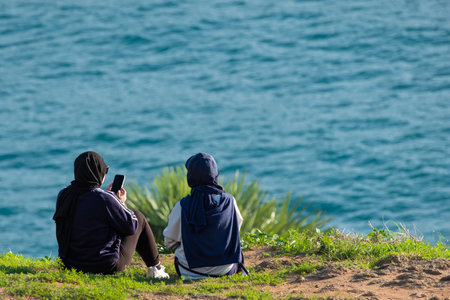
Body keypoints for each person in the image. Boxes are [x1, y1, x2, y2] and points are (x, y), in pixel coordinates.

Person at [53, 151, 169, 278]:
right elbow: (131, 227)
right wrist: (120, 203)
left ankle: (156, 269)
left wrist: (111, 200)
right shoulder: (105, 198)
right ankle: (156, 269)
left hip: (69, 265)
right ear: (98, 173)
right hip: (105, 266)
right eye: (104, 171)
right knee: (138, 217)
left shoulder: (64, 195)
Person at [163, 152, 247, 279]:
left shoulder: (183, 205)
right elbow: (236, 229)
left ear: (190, 178)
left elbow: (169, 242)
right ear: (215, 175)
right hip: (225, 270)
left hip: (189, 271)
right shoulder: (230, 202)